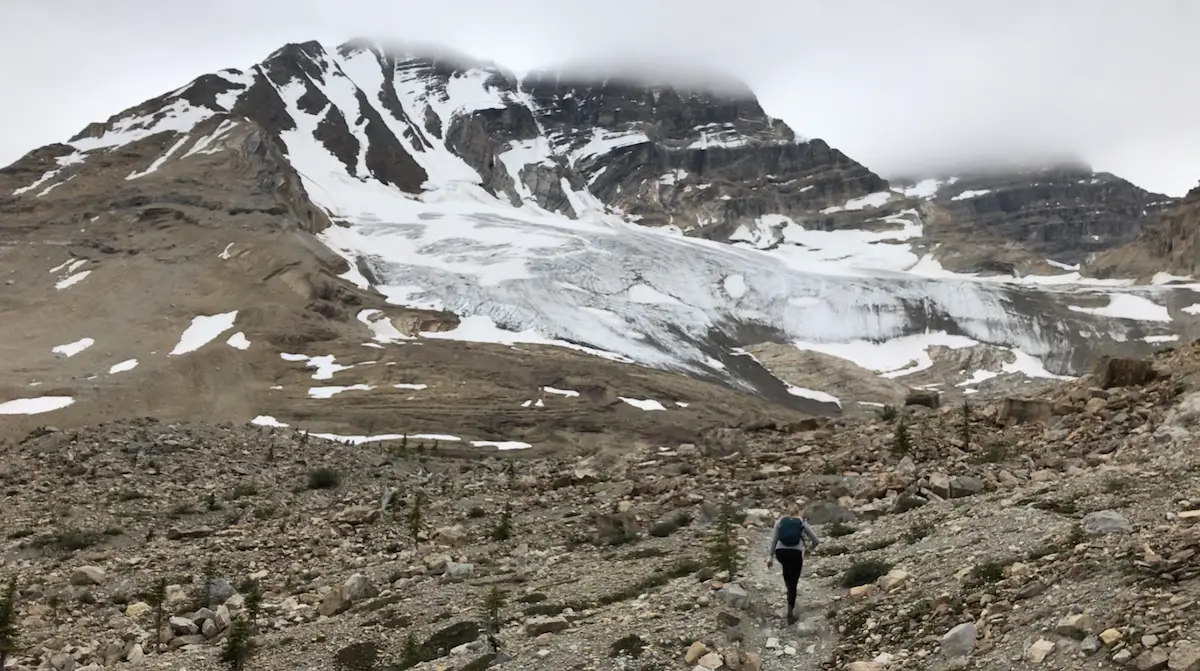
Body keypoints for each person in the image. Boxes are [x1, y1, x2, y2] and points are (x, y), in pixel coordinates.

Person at [765, 513, 820, 625]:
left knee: (787, 574)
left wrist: (770, 557)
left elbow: (774, 540)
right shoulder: (801, 522)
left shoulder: (780, 521)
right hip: (795, 553)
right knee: (793, 582)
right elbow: (815, 540)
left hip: (781, 553)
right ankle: (790, 611)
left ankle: (789, 593)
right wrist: (809, 550)